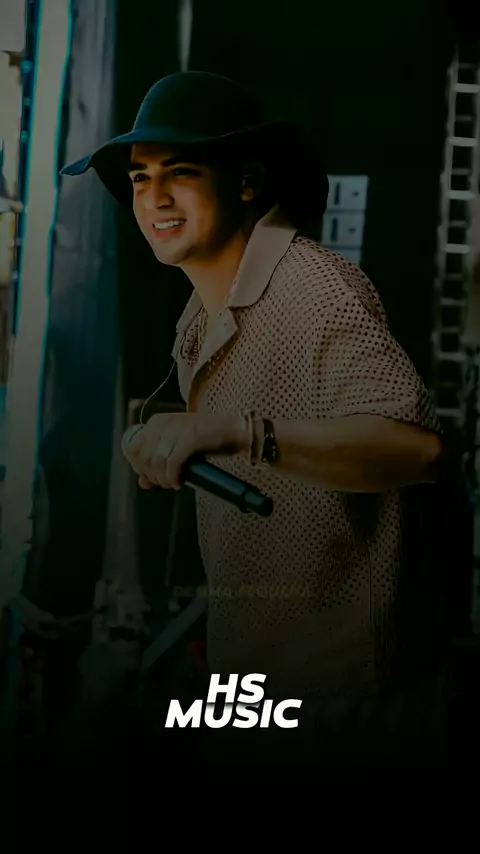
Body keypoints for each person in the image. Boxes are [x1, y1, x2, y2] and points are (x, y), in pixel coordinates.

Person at [62, 71, 448, 767]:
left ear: (246, 183)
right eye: (142, 177)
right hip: (256, 676)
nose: (154, 197)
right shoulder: (199, 317)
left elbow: (417, 450)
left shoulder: (313, 288)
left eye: (181, 173)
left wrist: (238, 430)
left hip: (341, 694)